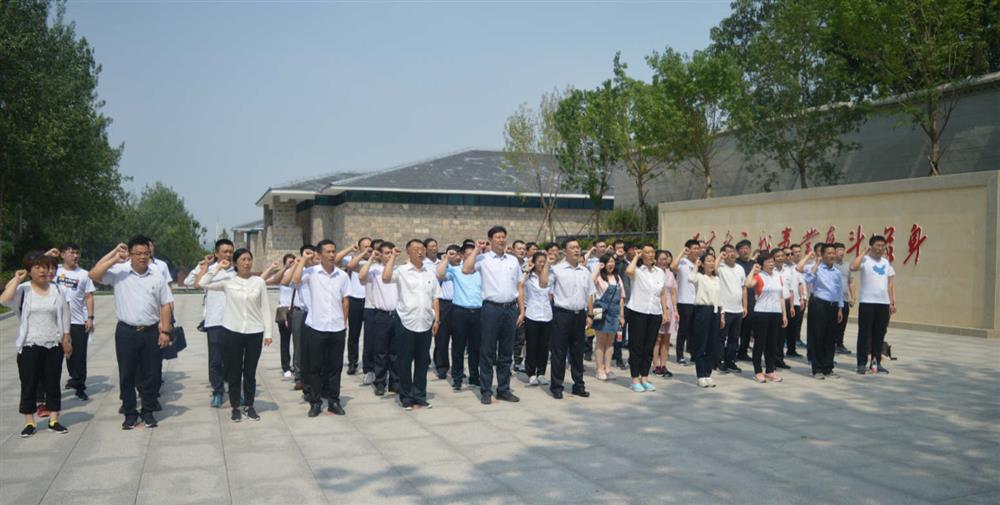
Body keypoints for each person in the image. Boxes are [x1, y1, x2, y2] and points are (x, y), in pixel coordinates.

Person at [90, 237, 173, 429]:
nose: (143, 257)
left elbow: (165, 305)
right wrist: (114, 256)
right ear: (130, 254)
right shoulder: (119, 273)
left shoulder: (157, 277)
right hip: (126, 332)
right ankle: (130, 413)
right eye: (138, 253)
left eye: (146, 253)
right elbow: (94, 274)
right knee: (126, 374)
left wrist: (165, 331)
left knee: (152, 374)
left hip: (151, 332)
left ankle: (148, 411)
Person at [2, 252, 73, 437]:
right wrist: (18, 279)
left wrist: (66, 339)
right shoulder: (23, 290)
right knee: (29, 384)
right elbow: (4, 299)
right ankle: (29, 422)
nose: (43, 271)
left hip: (53, 345)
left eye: (46, 267)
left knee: (53, 382)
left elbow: (64, 316)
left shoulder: (58, 289)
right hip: (29, 345)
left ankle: (54, 419)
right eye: (37, 267)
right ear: (29, 270)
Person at [200, 248, 272, 422]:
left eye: (249, 259)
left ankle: (249, 405)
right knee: (234, 371)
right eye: (242, 260)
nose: (246, 263)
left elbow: (265, 308)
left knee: (250, 372)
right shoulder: (228, 282)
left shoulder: (259, 282)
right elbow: (202, 282)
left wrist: (268, 333)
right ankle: (235, 407)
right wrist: (217, 267)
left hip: (254, 332)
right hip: (232, 331)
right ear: (235, 263)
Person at [290, 240, 350, 417]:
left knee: (335, 367)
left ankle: (333, 401)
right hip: (316, 326)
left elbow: (346, 300)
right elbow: (295, 280)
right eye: (328, 252)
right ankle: (315, 402)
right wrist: (303, 259)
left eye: (333, 251)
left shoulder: (342, 275)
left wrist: (344, 323)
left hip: (337, 327)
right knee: (315, 367)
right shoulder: (311, 273)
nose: (332, 255)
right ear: (320, 254)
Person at [462, 226, 521, 405]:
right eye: (497, 237)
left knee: (506, 352)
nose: (501, 240)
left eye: (503, 237)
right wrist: (477, 249)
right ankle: (486, 391)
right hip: (491, 309)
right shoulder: (483, 258)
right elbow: (466, 269)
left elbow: (518, 285)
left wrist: (521, 309)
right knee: (487, 351)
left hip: (510, 309)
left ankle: (503, 389)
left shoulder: (513, 260)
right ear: (490, 240)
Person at [382, 240, 441, 410]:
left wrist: (437, 319)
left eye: (422, 249)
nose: (420, 252)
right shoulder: (401, 271)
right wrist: (392, 257)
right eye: (415, 249)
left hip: (425, 321)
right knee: (405, 362)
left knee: (422, 362)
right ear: (408, 252)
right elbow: (386, 278)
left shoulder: (430, 273)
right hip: (406, 321)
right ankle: (406, 397)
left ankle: (420, 396)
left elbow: (435, 298)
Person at [538, 239, 594, 399]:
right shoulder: (557, 270)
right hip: (562, 315)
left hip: (580, 315)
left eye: (578, 247)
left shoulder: (585, 271)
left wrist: (590, 314)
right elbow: (543, 284)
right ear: (565, 251)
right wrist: (547, 264)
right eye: (572, 248)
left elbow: (590, 293)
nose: (577, 250)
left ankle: (579, 385)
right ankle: (557, 386)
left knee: (578, 352)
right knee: (559, 352)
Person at [193, 239, 235, 408]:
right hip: (214, 321)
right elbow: (198, 284)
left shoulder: (237, 271)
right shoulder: (210, 271)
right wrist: (212, 267)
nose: (228, 255)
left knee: (233, 359)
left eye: (230, 251)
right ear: (217, 253)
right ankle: (217, 391)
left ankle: (234, 390)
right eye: (225, 252)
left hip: (233, 321)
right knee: (216, 360)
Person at [624, 244, 669, 393]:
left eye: (652, 252)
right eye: (647, 252)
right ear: (642, 254)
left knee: (649, 347)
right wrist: (636, 257)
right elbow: (628, 271)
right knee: (636, 346)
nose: (650, 255)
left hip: (654, 312)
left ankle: (644, 377)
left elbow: (662, 293)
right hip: (638, 311)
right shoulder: (637, 270)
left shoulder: (660, 272)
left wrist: (665, 311)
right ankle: (634, 379)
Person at [438, 242, 483, 391]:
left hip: (478, 311)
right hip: (460, 312)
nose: (472, 257)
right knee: (458, 346)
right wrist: (446, 258)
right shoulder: (456, 270)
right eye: (468, 255)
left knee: (475, 347)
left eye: (474, 254)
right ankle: (457, 378)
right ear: (462, 256)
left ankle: (475, 376)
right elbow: (440, 274)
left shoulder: (480, 270)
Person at [54, 242, 96, 401]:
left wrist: (90, 318)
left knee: (78, 356)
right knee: (55, 356)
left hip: (77, 321)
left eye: (77, 253)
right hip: (56, 322)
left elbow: (89, 296)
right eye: (71, 252)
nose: (75, 256)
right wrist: (49, 254)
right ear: (62, 254)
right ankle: (51, 388)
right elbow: (35, 266)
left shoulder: (84, 274)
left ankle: (79, 385)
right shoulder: (54, 271)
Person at [359, 242, 401, 396]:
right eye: (387, 253)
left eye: (391, 252)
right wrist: (371, 258)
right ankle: (380, 382)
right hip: (381, 314)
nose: (390, 255)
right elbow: (361, 277)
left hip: (397, 314)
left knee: (395, 352)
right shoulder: (375, 270)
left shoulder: (399, 270)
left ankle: (395, 382)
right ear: (381, 255)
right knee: (381, 352)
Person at [797, 244, 844, 379]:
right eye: (828, 253)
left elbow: (839, 290)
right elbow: (807, 278)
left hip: (833, 306)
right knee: (817, 336)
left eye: (833, 253)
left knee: (830, 338)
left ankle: (828, 368)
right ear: (822, 255)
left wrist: (840, 308)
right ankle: (817, 369)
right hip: (819, 304)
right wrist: (816, 264)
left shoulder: (837, 272)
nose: (832, 255)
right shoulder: (814, 267)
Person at [850, 236, 896, 375]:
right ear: (871, 246)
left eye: (883, 245)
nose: (880, 248)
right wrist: (864, 252)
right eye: (878, 245)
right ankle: (861, 363)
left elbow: (890, 284)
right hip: (867, 302)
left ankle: (876, 363)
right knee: (864, 334)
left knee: (879, 334)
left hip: (883, 303)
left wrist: (891, 302)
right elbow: (853, 267)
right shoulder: (865, 260)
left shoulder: (886, 262)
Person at [743, 251, 787, 384]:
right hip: (762, 312)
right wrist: (753, 271)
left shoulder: (778, 276)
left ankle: (770, 370)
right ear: (762, 264)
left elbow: (781, 297)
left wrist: (784, 314)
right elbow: (747, 284)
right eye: (768, 262)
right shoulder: (759, 276)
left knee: (772, 343)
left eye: (772, 261)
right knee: (760, 343)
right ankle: (758, 371)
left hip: (776, 312)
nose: (771, 264)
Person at [281, 245, 315, 391]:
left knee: (314, 346)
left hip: (316, 312)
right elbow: (285, 281)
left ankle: (313, 375)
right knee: (299, 346)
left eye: (312, 254)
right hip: (300, 312)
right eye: (307, 254)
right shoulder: (297, 269)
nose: (310, 257)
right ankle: (299, 377)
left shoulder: (318, 271)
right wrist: (298, 264)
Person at [517, 251, 552, 387]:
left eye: (544, 261)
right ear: (534, 262)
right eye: (540, 261)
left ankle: (541, 373)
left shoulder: (550, 275)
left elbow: (550, 291)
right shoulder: (528, 277)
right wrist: (527, 269)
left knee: (544, 346)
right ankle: (531, 373)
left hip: (547, 315)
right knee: (532, 345)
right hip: (532, 314)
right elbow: (520, 284)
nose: (542, 264)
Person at [688, 252, 722, 388]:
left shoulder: (717, 279)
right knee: (701, 344)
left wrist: (722, 314)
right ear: (702, 263)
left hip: (715, 311)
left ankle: (708, 374)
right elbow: (690, 278)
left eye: (713, 260)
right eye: (708, 261)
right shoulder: (700, 277)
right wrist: (696, 266)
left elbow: (720, 297)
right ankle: (700, 375)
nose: (711, 263)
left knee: (712, 344)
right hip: (703, 311)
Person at [262, 254, 297, 377]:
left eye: (293, 261)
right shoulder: (283, 274)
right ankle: (286, 366)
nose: (292, 263)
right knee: (285, 340)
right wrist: (285, 268)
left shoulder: (299, 273)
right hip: (284, 310)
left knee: (298, 341)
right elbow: (268, 281)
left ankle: (296, 365)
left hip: (296, 310)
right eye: (289, 262)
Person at [591, 253, 624, 381]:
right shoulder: (599, 277)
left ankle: (608, 368)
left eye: (613, 262)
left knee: (610, 341)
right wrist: (597, 268)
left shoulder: (617, 278)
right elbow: (590, 282)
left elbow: (621, 298)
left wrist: (621, 315)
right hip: (599, 309)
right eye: (608, 262)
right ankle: (599, 369)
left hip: (614, 311)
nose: (611, 264)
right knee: (600, 340)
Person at [424, 239, 454, 381]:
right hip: (432, 301)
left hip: (450, 303)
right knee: (437, 335)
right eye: (431, 246)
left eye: (435, 246)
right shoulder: (423, 264)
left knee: (450, 336)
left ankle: (449, 366)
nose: (434, 248)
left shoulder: (444, 262)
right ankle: (438, 364)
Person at [343, 237, 372, 376]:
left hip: (369, 302)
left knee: (369, 335)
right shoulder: (352, 259)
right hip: (355, 300)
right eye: (365, 246)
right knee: (354, 334)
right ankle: (352, 362)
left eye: (370, 246)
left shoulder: (374, 261)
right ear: (359, 248)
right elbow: (349, 265)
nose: (368, 249)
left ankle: (368, 364)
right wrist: (358, 252)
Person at [716, 245, 746, 373]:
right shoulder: (720, 267)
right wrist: (720, 257)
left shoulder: (740, 268)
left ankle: (730, 361)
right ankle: (719, 361)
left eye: (733, 251)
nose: (732, 254)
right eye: (728, 252)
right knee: (721, 337)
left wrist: (745, 306)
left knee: (734, 338)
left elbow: (743, 288)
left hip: (738, 309)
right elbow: (713, 269)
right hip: (725, 308)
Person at [671, 240, 701, 365]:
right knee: (683, 329)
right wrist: (682, 253)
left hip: (698, 301)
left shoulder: (700, 263)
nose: (696, 251)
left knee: (695, 330)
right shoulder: (683, 262)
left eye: (698, 248)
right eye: (694, 248)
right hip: (684, 301)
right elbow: (673, 266)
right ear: (688, 249)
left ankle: (694, 354)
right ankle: (680, 355)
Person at [652, 250, 677, 377]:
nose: (664, 261)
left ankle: (663, 365)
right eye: (661, 259)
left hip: (669, 308)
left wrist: (675, 310)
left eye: (666, 259)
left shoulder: (670, 273)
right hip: (657, 307)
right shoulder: (653, 273)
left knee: (666, 338)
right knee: (657, 339)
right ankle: (655, 366)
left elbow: (673, 293)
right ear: (656, 260)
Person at [782, 246, 806, 359]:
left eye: (791, 254)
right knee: (783, 327)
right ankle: (778, 351)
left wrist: (802, 298)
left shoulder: (797, 268)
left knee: (793, 327)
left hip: (796, 301)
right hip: (785, 301)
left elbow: (800, 284)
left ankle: (791, 350)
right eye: (787, 254)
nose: (790, 256)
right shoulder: (781, 268)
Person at [734, 240, 756, 362]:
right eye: (742, 249)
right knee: (736, 328)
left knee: (748, 327)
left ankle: (743, 351)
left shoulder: (754, 264)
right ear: (738, 251)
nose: (745, 250)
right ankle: (733, 351)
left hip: (752, 299)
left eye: (747, 248)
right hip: (737, 299)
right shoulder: (735, 264)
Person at [832, 242, 855, 355]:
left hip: (845, 299)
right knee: (833, 323)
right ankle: (831, 344)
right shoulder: (830, 265)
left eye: (843, 250)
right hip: (833, 300)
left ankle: (840, 344)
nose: (841, 252)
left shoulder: (847, 265)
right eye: (839, 250)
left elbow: (851, 282)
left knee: (842, 323)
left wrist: (853, 297)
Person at [511, 239, 528, 373]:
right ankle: (511, 360)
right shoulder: (509, 264)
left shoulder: (529, 265)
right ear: (513, 250)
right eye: (519, 248)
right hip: (512, 304)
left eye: (524, 249)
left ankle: (519, 361)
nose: (522, 251)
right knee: (513, 334)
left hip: (527, 303)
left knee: (522, 336)